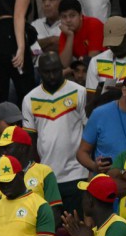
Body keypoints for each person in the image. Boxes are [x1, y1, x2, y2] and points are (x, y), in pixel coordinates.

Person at [22, 52, 88, 216]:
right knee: (53, 233)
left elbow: (89, 134)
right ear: (39, 71)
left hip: (77, 173)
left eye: (55, 70)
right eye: (46, 72)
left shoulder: (79, 92)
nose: (52, 76)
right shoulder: (30, 99)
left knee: (77, 229)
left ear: (62, 69)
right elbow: (30, 142)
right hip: (47, 177)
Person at [77, 74, 126, 173]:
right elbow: (82, 152)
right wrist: (94, 166)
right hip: (108, 182)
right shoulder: (100, 113)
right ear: (124, 91)